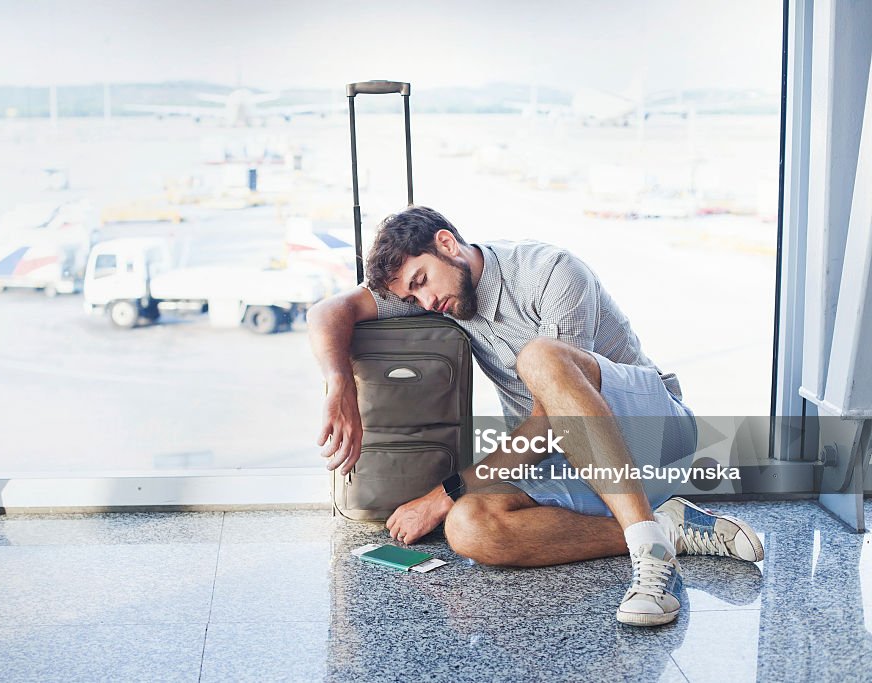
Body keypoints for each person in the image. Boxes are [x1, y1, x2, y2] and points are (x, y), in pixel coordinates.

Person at [307, 206, 764, 627]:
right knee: (467, 527)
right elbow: (330, 310)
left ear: (447, 244)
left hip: (653, 431)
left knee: (540, 358)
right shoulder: (443, 296)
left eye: (422, 280)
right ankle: (667, 529)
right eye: (411, 294)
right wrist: (339, 384)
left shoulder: (550, 272)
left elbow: (554, 417)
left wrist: (444, 492)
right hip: (569, 457)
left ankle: (652, 561)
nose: (423, 302)